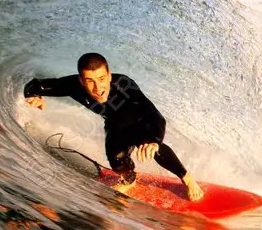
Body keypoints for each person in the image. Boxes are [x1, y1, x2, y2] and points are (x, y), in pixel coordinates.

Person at [23, 53, 204, 201]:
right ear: (81, 80)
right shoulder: (73, 86)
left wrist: (155, 141)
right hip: (115, 126)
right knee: (117, 161)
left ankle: (187, 179)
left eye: (102, 78)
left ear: (109, 75)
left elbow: (155, 116)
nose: (97, 87)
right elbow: (36, 85)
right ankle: (129, 178)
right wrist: (33, 95)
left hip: (142, 123)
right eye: (90, 81)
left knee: (153, 150)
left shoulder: (124, 85)